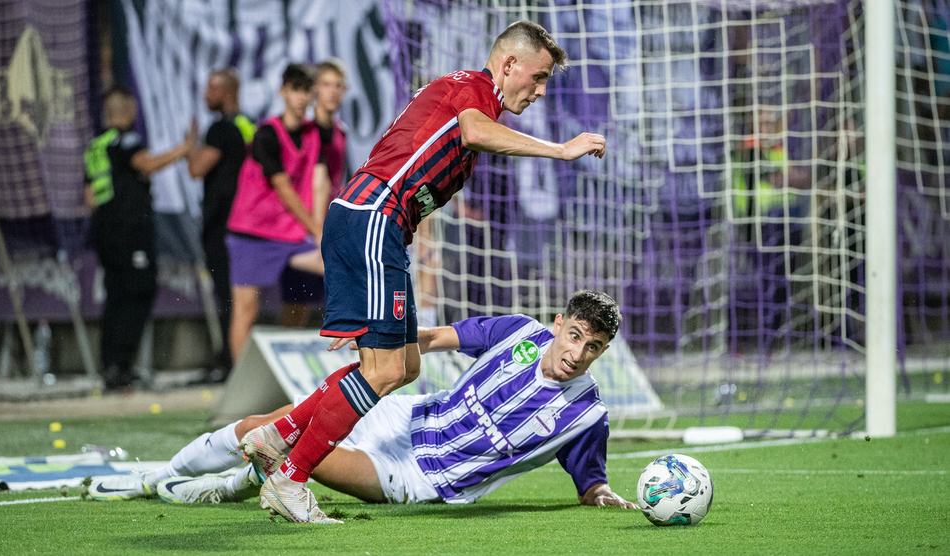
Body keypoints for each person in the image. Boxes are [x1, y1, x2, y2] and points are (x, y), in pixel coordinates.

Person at [258, 20, 607, 522]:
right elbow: (475, 132)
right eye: (539, 77)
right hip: (374, 219)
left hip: (380, 227)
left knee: (404, 366)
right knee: (382, 371)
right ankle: (289, 477)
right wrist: (560, 149)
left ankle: (279, 433)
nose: (541, 91)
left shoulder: (462, 96)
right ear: (509, 64)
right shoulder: (474, 90)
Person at [88, 291, 637, 520]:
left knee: (297, 449)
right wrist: (376, 342)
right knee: (266, 424)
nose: (577, 353)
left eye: (593, 347)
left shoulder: (587, 415)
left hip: (419, 476)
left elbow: (591, 482)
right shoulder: (517, 333)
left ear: (603, 351)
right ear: (558, 324)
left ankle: (230, 485)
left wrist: (602, 494)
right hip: (403, 417)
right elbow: (434, 337)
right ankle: (158, 477)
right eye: (575, 335)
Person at [84, 87, 196, 391]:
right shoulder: (128, 139)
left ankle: (110, 366)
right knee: (139, 291)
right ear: (129, 111)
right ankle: (122, 367)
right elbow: (146, 164)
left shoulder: (95, 147)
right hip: (130, 231)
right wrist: (184, 149)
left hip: (105, 231)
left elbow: (90, 197)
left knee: (115, 296)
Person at [224, 64, 329, 362]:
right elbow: (284, 189)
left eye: (306, 91)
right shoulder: (267, 134)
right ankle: (240, 380)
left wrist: (321, 230)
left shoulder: (314, 134)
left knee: (338, 266)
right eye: (295, 90)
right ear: (283, 92)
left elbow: (319, 182)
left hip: (291, 233)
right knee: (246, 310)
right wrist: (317, 230)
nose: (301, 97)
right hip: (252, 232)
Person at [185, 68, 256, 381]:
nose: (206, 95)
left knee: (227, 296)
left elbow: (197, 169)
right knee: (239, 297)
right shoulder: (249, 124)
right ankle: (232, 360)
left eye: (211, 89)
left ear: (227, 92)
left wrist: (189, 146)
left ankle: (228, 362)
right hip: (246, 224)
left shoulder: (221, 128)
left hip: (222, 225)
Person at [279, 60, 349, 328]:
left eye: (338, 85)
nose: (332, 91)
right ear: (314, 90)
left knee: (327, 303)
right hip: (305, 227)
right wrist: (315, 228)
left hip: (328, 227)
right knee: (296, 307)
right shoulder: (305, 130)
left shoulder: (340, 132)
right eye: (326, 84)